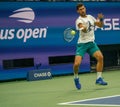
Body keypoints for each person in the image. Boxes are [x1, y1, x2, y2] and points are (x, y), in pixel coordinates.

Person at [73, 3, 108, 90]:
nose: (82, 10)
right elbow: (83, 29)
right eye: (80, 9)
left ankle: (99, 78)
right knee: (77, 64)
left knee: (100, 57)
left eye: (83, 8)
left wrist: (101, 19)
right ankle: (76, 78)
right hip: (82, 44)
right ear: (78, 11)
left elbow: (100, 25)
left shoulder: (90, 17)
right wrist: (83, 27)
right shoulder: (78, 20)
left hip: (91, 43)